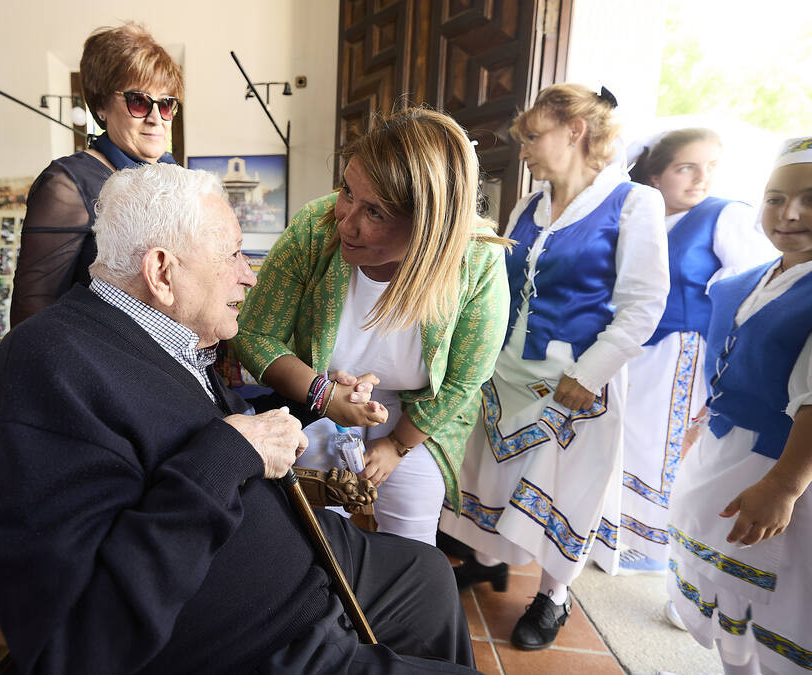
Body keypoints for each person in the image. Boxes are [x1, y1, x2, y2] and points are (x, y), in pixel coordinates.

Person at [0, 163, 479, 674]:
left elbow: (191, 430)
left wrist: (314, 401)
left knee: (430, 575)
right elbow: (81, 641)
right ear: (162, 271)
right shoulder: (48, 378)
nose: (249, 274)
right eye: (232, 254)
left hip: (301, 559)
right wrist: (226, 457)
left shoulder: (154, 335)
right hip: (256, 640)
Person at [438, 83, 669, 650]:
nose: (524, 150)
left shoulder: (634, 203)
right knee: (490, 474)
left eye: (532, 137)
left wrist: (589, 375)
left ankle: (554, 597)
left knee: (565, 488)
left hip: (575, 381)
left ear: (576, 131)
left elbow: (644, 304)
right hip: (507, 368)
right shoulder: (527, 206)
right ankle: (489, 558)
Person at [232, 107, 511, 546]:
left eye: (375, 212)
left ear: (427, 228)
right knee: (308, 533)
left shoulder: (476, 261)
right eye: (347, 190)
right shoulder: (317, 226)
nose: (345, 219)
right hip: (316, 397)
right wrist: (323, 394)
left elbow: (464, 379)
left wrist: (396, 445)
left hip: (418, 415)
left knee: (413, 530)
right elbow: (253, 332)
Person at [666, 137, 812, 675]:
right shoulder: (747, 281)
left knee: (781, 603)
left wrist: (784, 486)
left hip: (782, 466)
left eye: (810, 199)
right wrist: (703, 423)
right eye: (776, 198)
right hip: (726, 453)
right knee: (727, 587)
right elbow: (729, 364)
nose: (790, 213)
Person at [618, 129, 775, 591]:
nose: (701, 178)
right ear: (656, 175)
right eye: (687, 167)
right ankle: (625, 529)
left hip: (682, 352)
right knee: (635, 438)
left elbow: (745, 290)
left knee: (666, 443)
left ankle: (654, 545)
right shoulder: (642, 218)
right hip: (638, 350)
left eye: (711, 166)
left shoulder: (723, 216)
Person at [10, 21, 181, 325]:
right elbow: (32, 316)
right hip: (100, 364)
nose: (157, 118)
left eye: (167, 104)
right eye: (139, 101)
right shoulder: (67, 185)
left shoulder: (172, 176)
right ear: (101, 105)